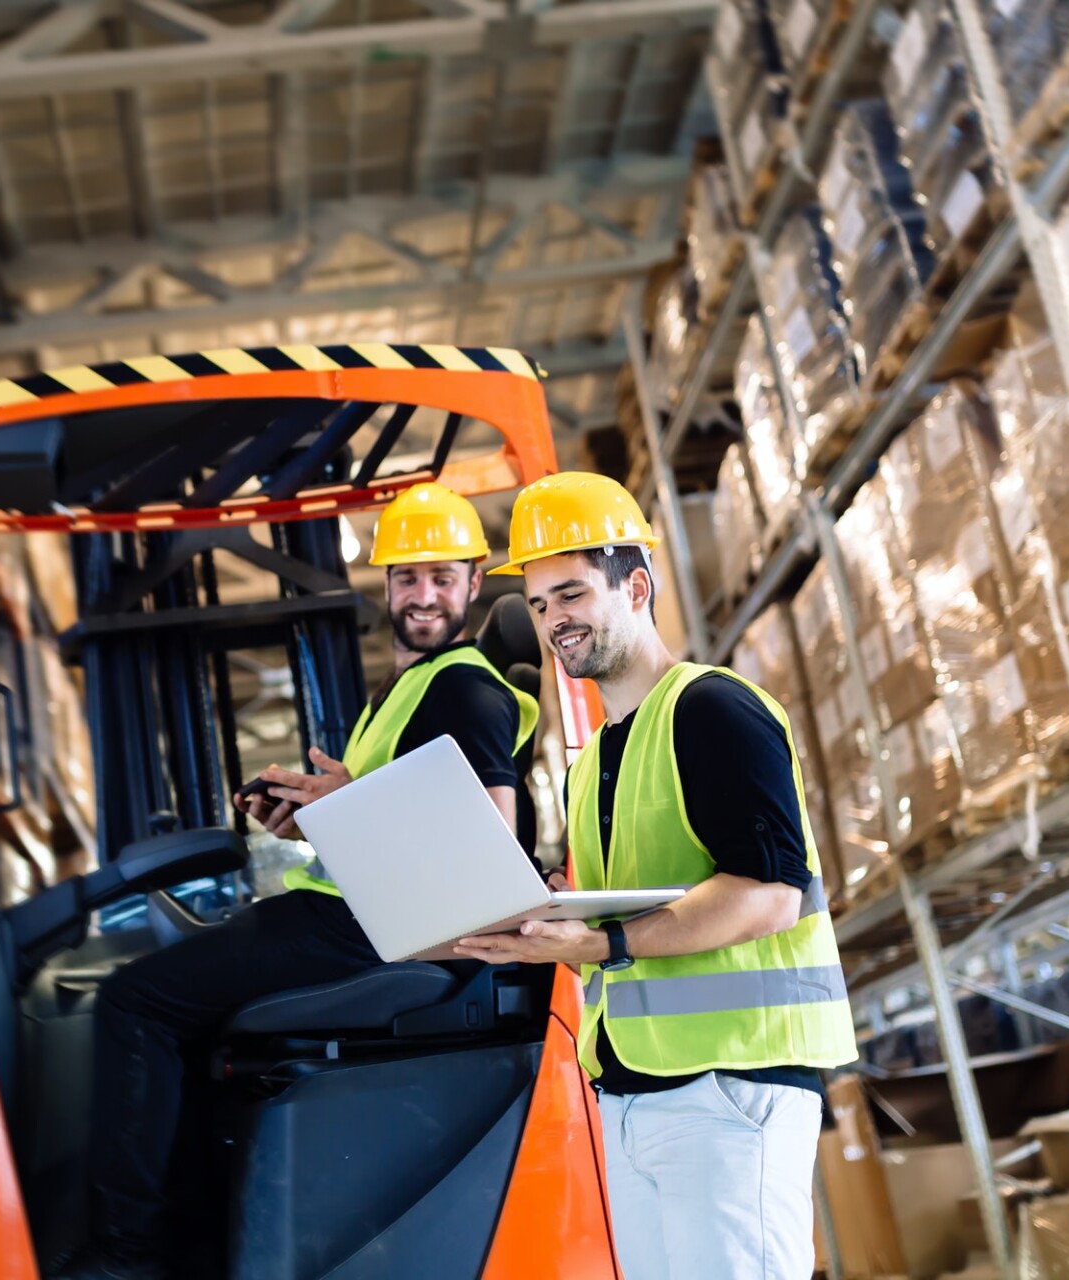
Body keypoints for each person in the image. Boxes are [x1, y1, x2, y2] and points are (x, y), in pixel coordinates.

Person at [55, 482, 539, 1280]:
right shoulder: (400, 693)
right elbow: (392, 819)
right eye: (408, 578)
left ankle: (127, 1254)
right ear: (384, 585)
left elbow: (490, 848)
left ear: (473, 584)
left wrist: (348, 806)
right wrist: (310, 816)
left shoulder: (466, 688)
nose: (424, 596)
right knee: (189, 1013)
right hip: (360, 910)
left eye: (442, 579)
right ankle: (191, 1242)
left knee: (132, 1001)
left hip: (371, 929)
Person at [455, 472, 856, 1280]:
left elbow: (771, 893)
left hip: (733, 1089)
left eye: (570, 594)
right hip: (636, 1096)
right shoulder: (594, 757)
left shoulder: (712, 711)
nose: (554, 622)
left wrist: (600, 944)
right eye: (538, 606)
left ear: (635, 586)